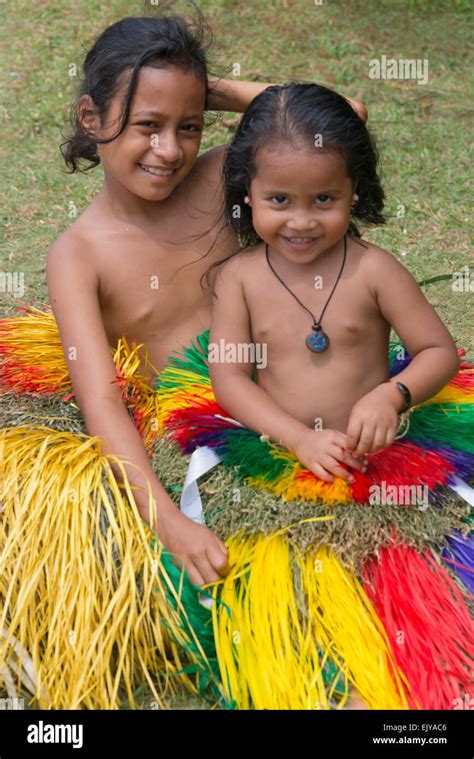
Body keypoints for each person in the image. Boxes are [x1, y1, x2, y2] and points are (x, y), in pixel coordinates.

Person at [44, 14, 369, 590]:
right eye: (147, 124)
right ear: (92, 118)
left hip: (291, 394)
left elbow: (344, 114)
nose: (169, 150)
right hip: (199, 434)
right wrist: (168, 521)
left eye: (188, 126)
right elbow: (101, 398)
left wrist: (198, 86)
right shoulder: (79, 255)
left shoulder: (220, 176)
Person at [209, 82, 460, 487]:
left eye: (324, 199)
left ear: (354, 191)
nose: (302, 221)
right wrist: (299, 439)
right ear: (248, 192)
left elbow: (438, 351)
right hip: (282, 449)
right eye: (279, 200)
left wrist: (392, 396)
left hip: (371, 455)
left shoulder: (374, 270)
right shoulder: (238, 278)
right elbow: (230, 379)